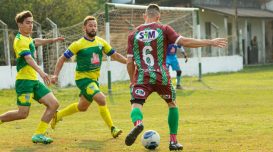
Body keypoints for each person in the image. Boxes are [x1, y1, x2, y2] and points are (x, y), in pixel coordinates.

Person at [125, 4, 227, 151]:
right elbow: (184, 42)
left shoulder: (133, 34)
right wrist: (210, 42)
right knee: (172, 104)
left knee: (136, 104)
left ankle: (138, 123)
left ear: (144, 16)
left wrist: (132, 80)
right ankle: (173, 142)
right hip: (162, 77)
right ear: (158, 17)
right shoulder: (164, 29)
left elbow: (129, 62)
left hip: (142, 77)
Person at [50, 16, 127, 138]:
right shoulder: (78, 44)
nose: (93, 28)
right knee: (101, 99)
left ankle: (58, 115)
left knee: (82, 107)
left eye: (95, 25)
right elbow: (62, 58)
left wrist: (129, 62)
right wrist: (55, 75)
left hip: (93, 80)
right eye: (90, 25)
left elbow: (115, 55)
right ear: (84, 27)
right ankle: (113, 128)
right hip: (83, 80)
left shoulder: (101, 42)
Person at [0, 10, 64, 144]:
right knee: (22, 113)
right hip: (24, 82)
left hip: (33, 81)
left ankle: (39, 134)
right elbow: (28, 58)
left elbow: (36, 41)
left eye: (32, 23)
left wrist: (53, 39)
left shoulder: (28, 38)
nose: (31, 26)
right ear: (19, 24)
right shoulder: (19, 40)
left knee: (54, 104)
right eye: (27, 23)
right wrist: (42, 73)